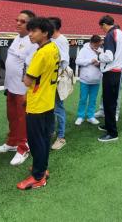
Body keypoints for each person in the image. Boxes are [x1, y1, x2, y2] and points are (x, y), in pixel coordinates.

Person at [16, 17, 59, 190]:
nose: (30, 34)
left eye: (34, 31)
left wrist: (24, 72)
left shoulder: (40, 53)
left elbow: (27, 81)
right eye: (30, 30)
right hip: (48, 101)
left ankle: (38, 176)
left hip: (38, 103)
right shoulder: (53, 47)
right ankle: (42, 168)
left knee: (36, 141)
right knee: (44, 138)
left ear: (45, 33)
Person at [0, 10, 38, 165]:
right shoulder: (17, 37)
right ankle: (12, 141)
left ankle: (23, 147)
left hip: (22, 89)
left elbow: (31, 68)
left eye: (22, 21)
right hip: (11, 87)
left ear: (31, 24)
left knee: (22, 120)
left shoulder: (33, 42)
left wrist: (27, 91)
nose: (18, 23)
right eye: (17, 20)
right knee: (12, 116)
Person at [97, 15, 122, 142]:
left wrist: (99, 55)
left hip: (111, 71)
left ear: (104, 24)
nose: (102, 30)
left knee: (109, 103)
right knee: (111, 102)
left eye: (101, 27)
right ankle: (110, 125)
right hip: (118, 70)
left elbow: (109, 57)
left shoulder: (110, 34)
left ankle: (112, 133)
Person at [49, 17, 70, 151]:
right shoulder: (51, 39)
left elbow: (64, 61)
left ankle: (61, 137)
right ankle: (51, 131)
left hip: (57, 80)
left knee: (58, 108)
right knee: (50, 108)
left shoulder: (61, 40)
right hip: (49, 80)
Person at [75, 35, 102, 126]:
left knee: (93, 100)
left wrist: (98, 64)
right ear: (91, 43)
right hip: (85, 80)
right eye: (96, 45)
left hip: (96, 80)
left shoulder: (100, 50)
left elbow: (104, 63)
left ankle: (91, 116)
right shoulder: (84, 50)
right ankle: (80, 116)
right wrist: (90, 60)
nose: (97, 47)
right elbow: (77, 61)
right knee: (83, 99)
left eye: (98, 45)